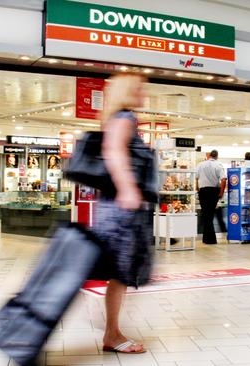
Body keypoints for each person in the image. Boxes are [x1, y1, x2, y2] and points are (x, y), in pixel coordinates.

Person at [92, 73, 153, 354]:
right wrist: (128, 189)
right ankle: (112, 334)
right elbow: (114, 151)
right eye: (139, 88)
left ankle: (112, 331)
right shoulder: (125, 117)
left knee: (120, 274)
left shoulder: (118, 118)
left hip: (114, 208)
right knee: (121, 273)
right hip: (120, 211)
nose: (144, 93)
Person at [196, 150, 226, 244]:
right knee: (209, 215)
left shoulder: (200, 165)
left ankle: (207, 239)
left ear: (209, 156)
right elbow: (223, 180)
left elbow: (196, 177)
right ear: (217, 156)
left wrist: (198, 189)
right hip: (213, 191)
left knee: (206, 215)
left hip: (203, 191)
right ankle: (211, 239)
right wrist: (221, 193)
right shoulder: (219, 165)